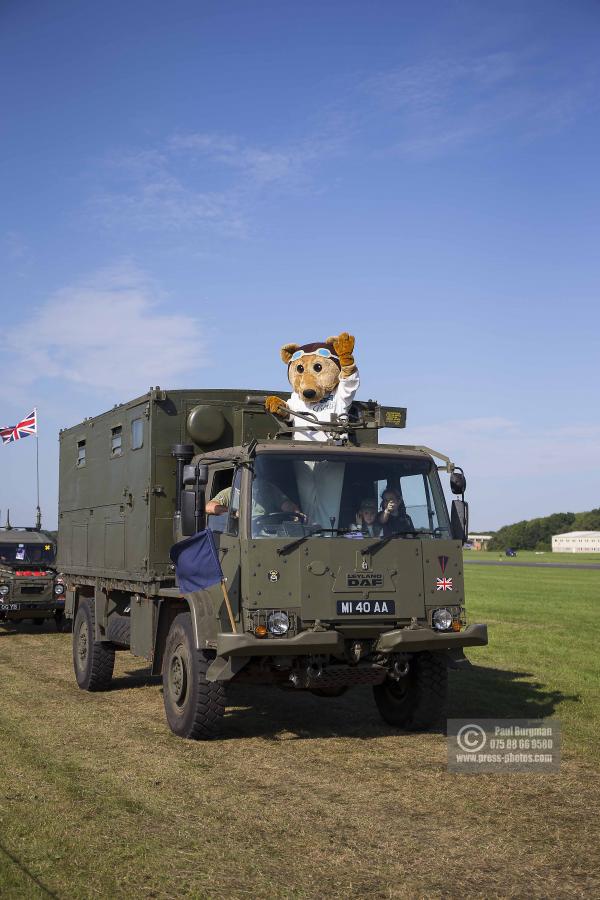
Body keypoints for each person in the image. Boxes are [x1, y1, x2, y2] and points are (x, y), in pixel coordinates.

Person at [205, 481, 305, 520]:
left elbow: (285, 504)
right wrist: (233, 512)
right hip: (244, 536)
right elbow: (209, 507)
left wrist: (296, 513)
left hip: (271, 534)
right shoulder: (230, 492)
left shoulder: (267, 488)